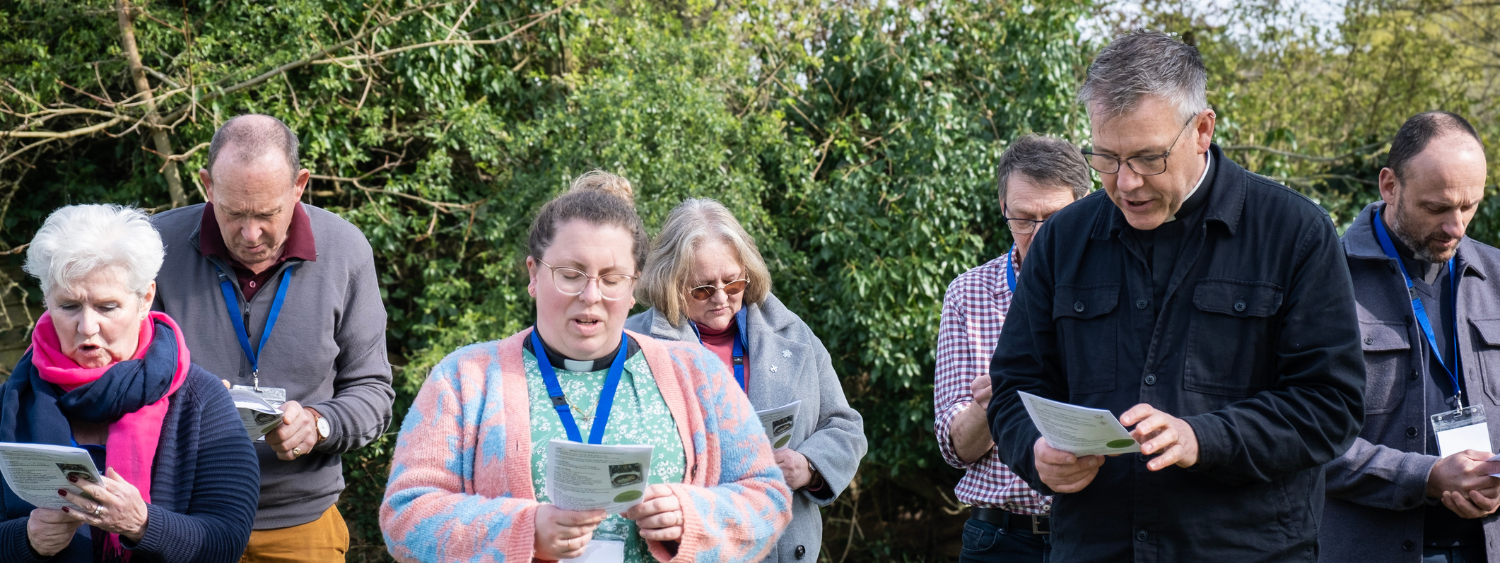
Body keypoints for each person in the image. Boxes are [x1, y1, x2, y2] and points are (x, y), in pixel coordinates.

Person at [986, 31, 1365, 561]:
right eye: (1106, 158)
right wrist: (1035, 450)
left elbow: (1331, 405)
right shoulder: (1061, 240)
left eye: (1148, 158)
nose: (1126, 183)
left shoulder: (1295, 233)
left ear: (1202, 130)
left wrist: (1203, 438)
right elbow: (1014, 387)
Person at [379, 176, 792, 562]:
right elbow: (405, 516)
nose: (591, 295)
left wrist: (691, 518)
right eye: (571, 275)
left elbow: (768, 498)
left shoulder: (699, 375)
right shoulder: (465, 378)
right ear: (533, 274)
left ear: (634, 286)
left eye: (612, 278)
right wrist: (524, 529)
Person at [150, 114, 395, 562]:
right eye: (232, 213)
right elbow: (115, 371)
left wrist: (319, 424)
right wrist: (186, 397)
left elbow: (373, 392)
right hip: (181, 519)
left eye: (266, 214)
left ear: (299, 185)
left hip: (300, 521)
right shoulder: (153, 249)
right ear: (207, 185)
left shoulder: (346, 250)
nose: (250, 234)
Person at [1, 204, 258, 562]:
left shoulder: (201, 401)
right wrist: (26, 538)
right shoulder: (11, 401)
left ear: (145, 298)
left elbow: (225, 541)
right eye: (69, 306)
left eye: (107, 307)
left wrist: (142, 524)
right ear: (47, 301)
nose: (87, 327)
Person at [626, 197, 867, 562]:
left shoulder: (792, 332)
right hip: (688, 544)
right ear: (670, 283)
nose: (721, 298)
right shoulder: (633, 344)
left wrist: (808, 466)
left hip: (782, 543)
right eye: (703, 289)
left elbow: (845, 426)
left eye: (733, 283)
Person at [1322, 111, 1500, 563]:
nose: (1456, 227)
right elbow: (1302, 438)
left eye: (1470, 205)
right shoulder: (1323, 281)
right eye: (1437, 208)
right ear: (1389, 186)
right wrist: (1425, 477)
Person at [933, 134, 1090, 563]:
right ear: (1004, 208)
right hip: (999, 538)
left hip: (1093, 531)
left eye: (1055, 219)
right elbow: (957, 450)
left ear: (1087, 206)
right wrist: (991, 404)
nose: (1040, 237)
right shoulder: (969, 293)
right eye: (1023, 219)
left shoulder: (1115, 287)